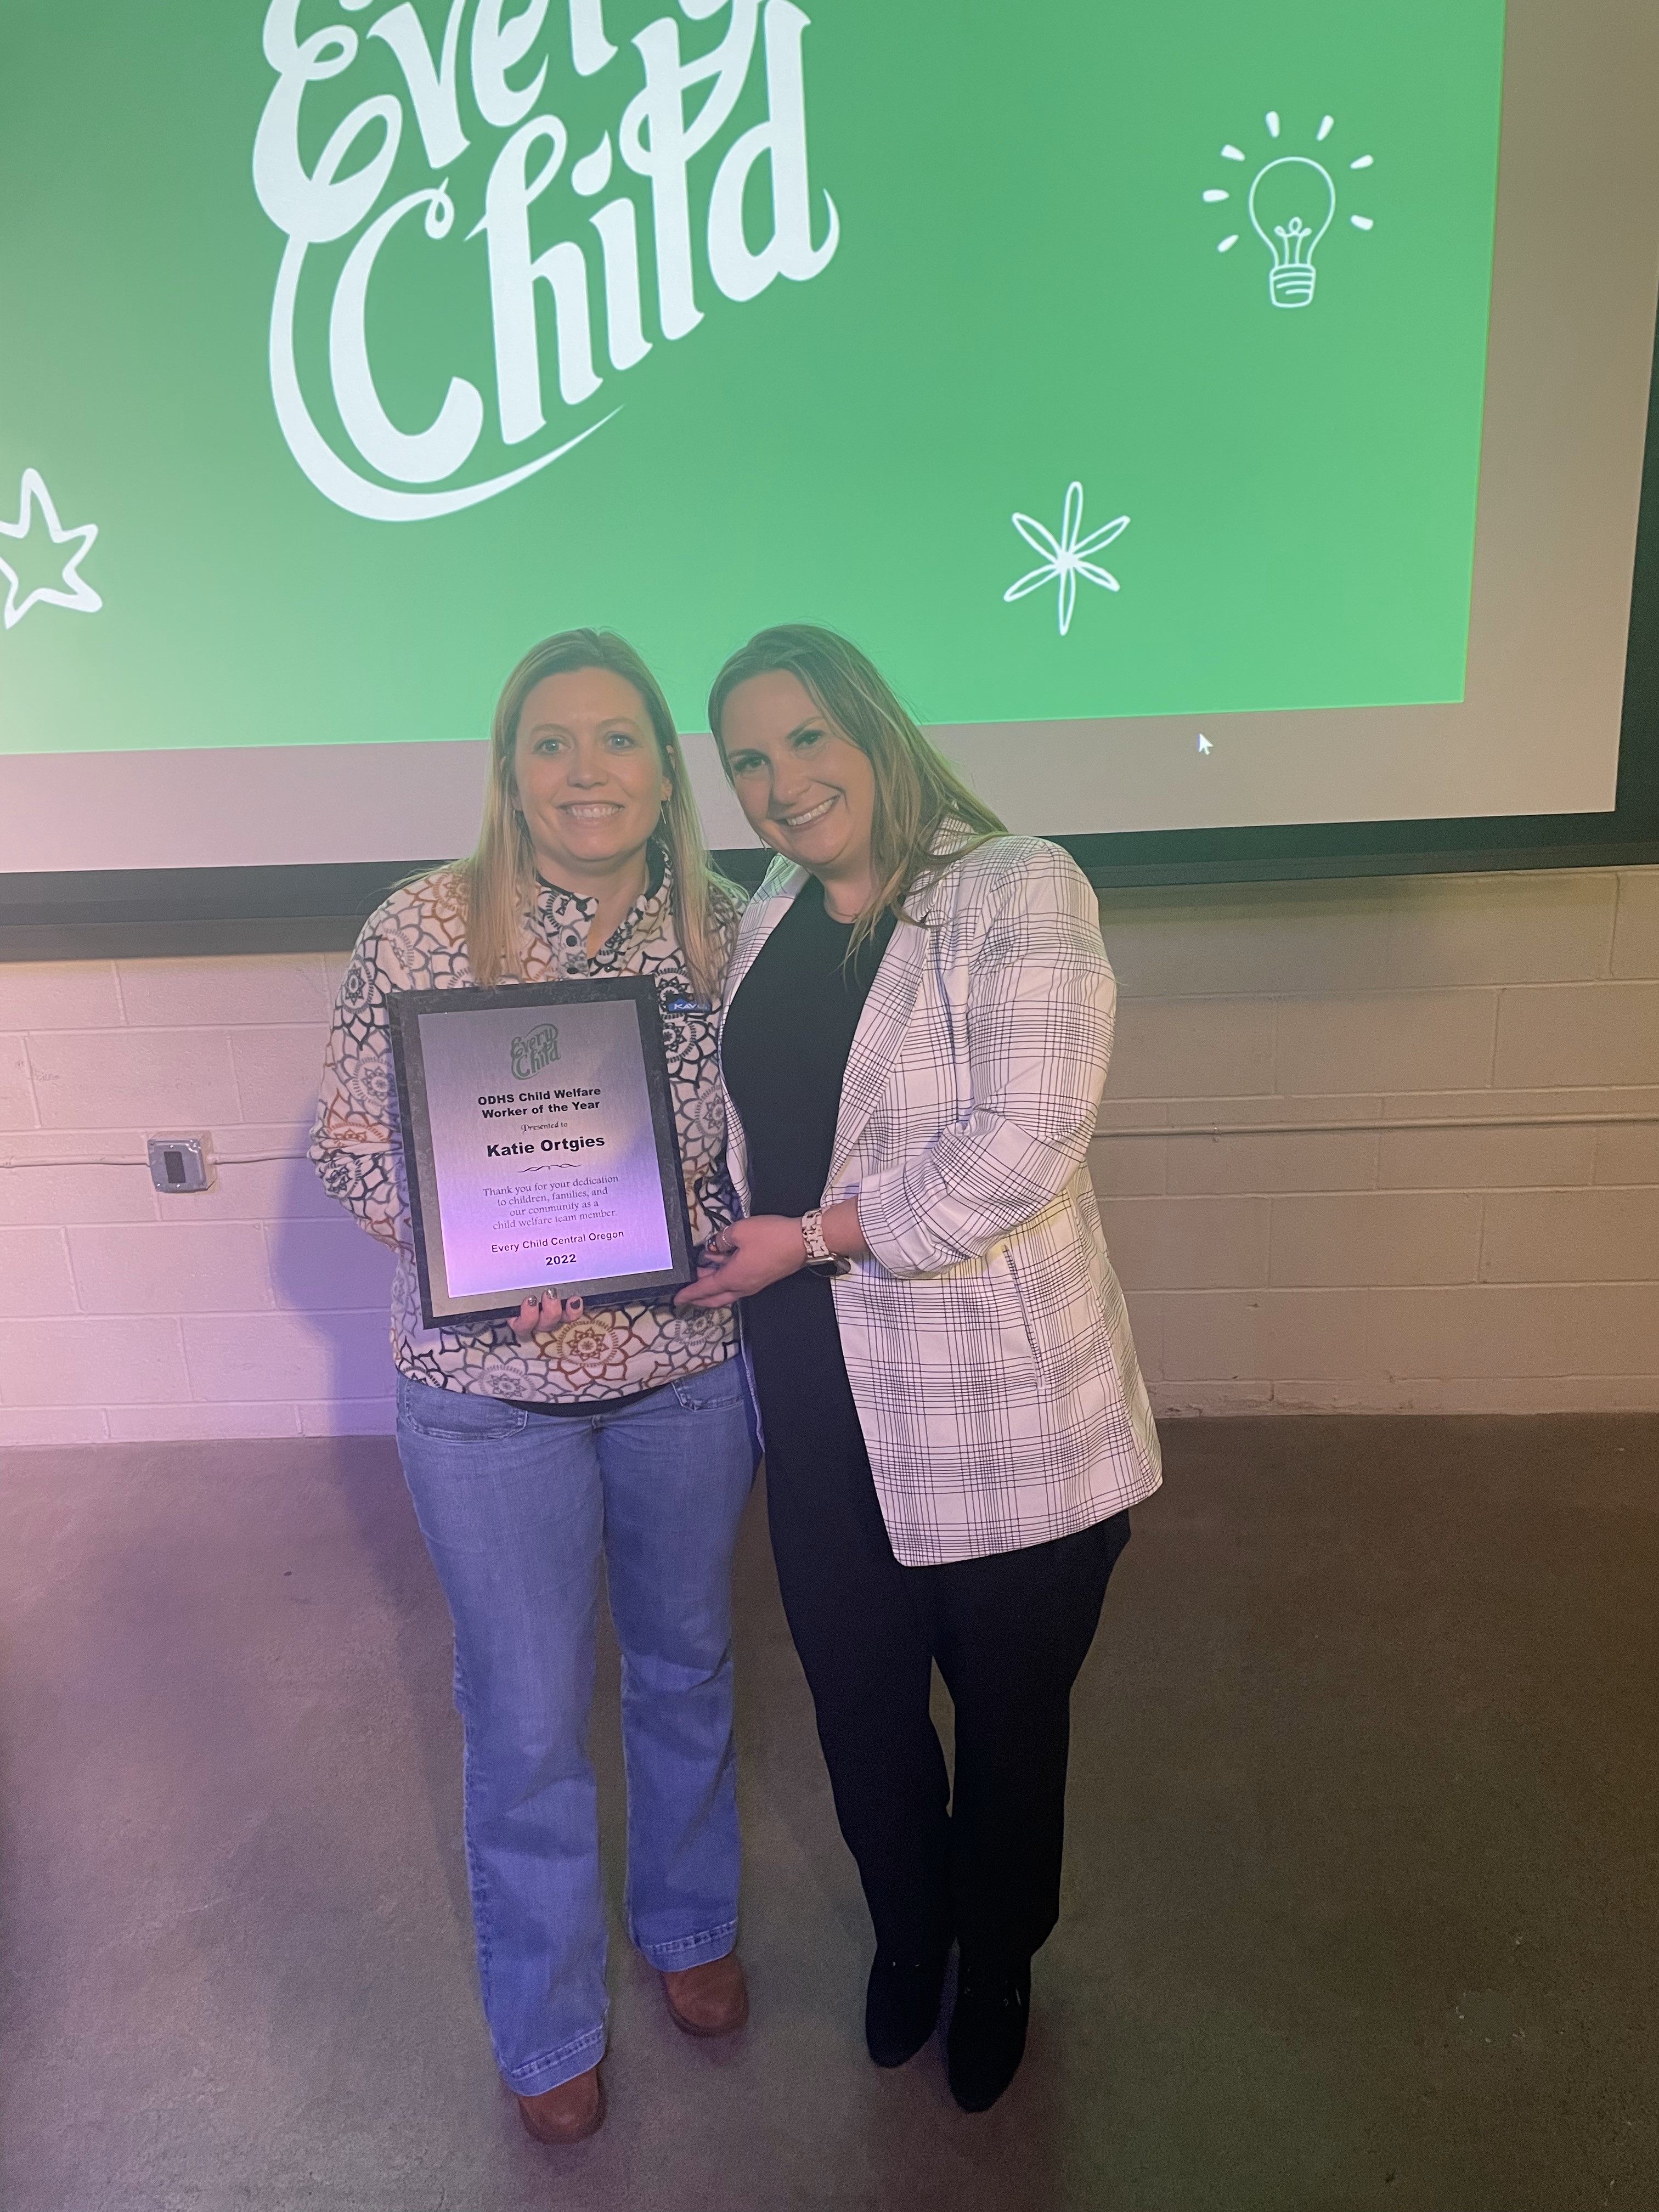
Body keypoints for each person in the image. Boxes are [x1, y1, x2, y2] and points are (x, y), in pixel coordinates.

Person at [676, 624, 1161, 2113]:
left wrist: (810, 1239)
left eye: (806, 739)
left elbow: (1022, 1146)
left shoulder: (1018, 887)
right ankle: (911, 1937)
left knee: (1012, 1721)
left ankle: (999, 1963)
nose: (781, 783)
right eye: (748, 761)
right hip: (811, 1390)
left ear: (874, 727)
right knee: (860, 1703)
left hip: (998, 1409)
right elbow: (743, 1127)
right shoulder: (767, 910)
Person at [311, 630, 755, 2146]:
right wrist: (479, 1258)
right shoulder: (420, 928)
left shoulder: (731, 933)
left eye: (618, 739)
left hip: (681, 1369)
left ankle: (690, 1926)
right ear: (510, 771)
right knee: (522, 1714)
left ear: (664, 771)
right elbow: (351, 1146)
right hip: (482, 1391)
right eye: (551, 742)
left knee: (688, 1664)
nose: (586, 771)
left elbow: (771, 1140)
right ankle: (550, 2015)